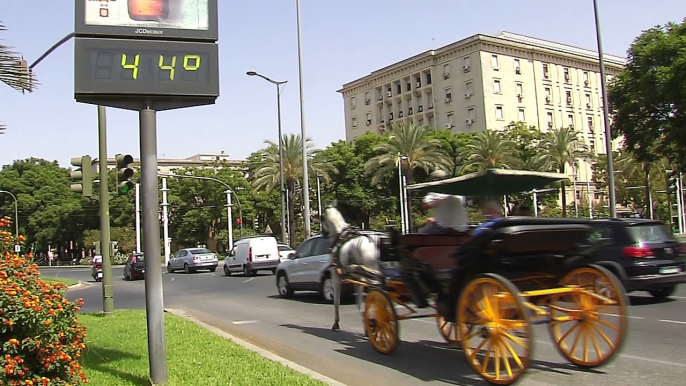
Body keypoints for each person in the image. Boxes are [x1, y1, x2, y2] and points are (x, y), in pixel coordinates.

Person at [419, 170, 469, 234]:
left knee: (421, 235)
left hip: (443, 228)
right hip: (462, 228)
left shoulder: (435, 193)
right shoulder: (459, 193)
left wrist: (436, 202)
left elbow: (424, 206)